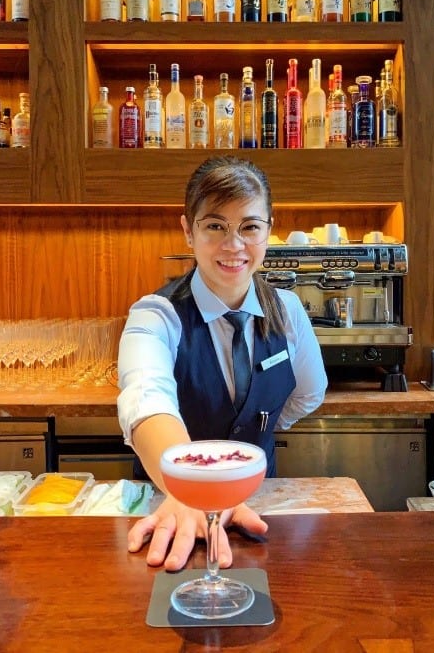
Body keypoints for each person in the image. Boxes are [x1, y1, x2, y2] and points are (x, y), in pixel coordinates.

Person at [117, 154, 327, 571]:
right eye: (215, 226)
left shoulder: (287, 311)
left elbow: (308, 393)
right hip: (170, 514)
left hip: (256, 513)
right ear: (188, 232)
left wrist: (260, 422)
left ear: (269, 230)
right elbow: (145, 401)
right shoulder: (154, 314)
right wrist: (191, 490)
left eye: (249, 227)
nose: (234, 245)